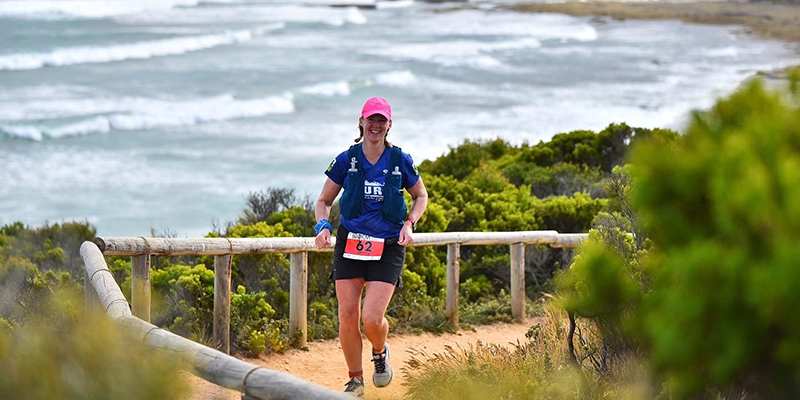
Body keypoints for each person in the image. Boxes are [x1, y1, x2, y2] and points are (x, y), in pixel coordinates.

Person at [314, 97, 428, 397]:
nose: (375, 125)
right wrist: (322, 226)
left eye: (382, 120)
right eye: (371, 119)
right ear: (361, 122)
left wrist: (410, 223)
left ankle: (380, 351)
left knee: (371, 320)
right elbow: (323, 201)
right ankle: (355, 380)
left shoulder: (400, 160)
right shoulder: (345, 159)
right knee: (348, 314)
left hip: (388, 245)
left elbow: (420, 196)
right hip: (351, 242)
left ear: (389, 125)